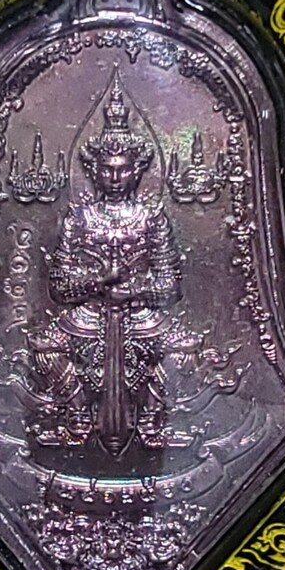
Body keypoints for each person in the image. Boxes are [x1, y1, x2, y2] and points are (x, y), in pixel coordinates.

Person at [28, 75, 182, 456]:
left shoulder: (151, 218)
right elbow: (59, 284)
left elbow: (170, 284)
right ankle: (77, 415)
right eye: (107, 169)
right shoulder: (79, 219)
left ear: (137, 170)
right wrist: (98, 280)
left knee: (184, 352)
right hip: (88, 315)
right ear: (94, 170)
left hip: (140, 314)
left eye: (123, 169)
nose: (115, 177)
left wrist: (133, 290)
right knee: (44, 349)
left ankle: (152, 419)